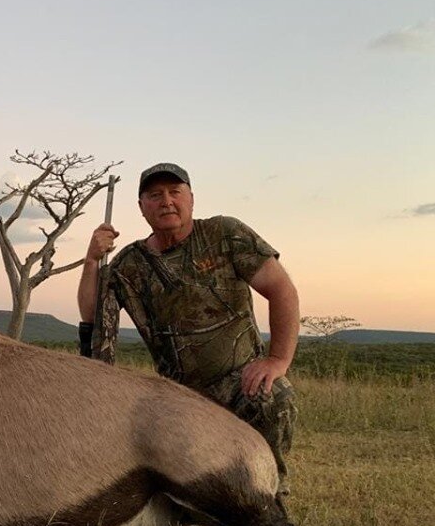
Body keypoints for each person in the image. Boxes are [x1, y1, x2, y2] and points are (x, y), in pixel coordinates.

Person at [77, 163, 299, 496]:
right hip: (177, 394)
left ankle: (271, 497)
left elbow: (282, 289)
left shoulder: (226, 233)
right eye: (155, 195)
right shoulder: (128, 263)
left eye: (174, 192)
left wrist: (277, 359)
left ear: (191, 199)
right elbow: (92, 315)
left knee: (273, 396)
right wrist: (92, 261)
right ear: (142, 208)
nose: (166, 201)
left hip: (241, 381)